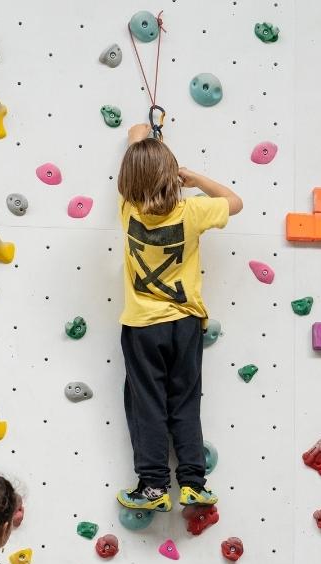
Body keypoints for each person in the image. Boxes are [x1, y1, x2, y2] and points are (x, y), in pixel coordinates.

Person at [116, 123, 243, 512]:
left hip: (141, 326)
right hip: (186, 323)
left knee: (147, 404)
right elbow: (234, 201)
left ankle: (153, 486)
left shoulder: (128, 209)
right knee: (186, 402)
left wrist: (147, 138)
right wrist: (190, 176)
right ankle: (192, 483)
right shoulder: (193, 211)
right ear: (171, 177)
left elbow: (137, 137)